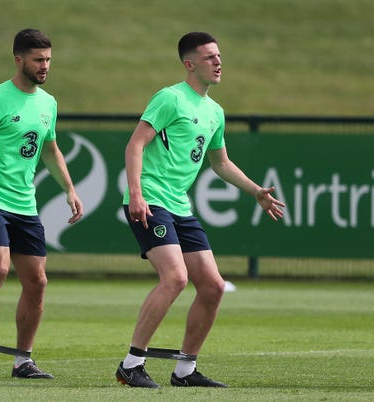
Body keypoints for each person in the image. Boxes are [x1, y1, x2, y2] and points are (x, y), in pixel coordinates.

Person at [115, 32, 285, 388]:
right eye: (210, 57)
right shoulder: (170, 98)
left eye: (219, 56)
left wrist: (256, 192)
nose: (219, 62)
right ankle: (131, 364)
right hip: (151, 199)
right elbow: (135, 145)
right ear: (189, 64)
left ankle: (185, 371)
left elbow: (220, 163)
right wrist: (135, 194)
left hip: (179, 204)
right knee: (175, 278)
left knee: (213, 287)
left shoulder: (215, 113)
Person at [0, 28, 83, 380]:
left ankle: (23, 360)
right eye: (39, 60)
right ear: (19, 59)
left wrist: (69, 189)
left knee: (37, 281)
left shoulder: (48, 103)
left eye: (49, 60)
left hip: (25, 204)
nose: (45, 66)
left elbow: (51, 150)